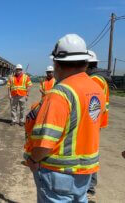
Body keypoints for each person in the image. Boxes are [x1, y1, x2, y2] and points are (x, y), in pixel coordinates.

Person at [24, 34, 106, 202]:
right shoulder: (97, 89)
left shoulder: (60, 93)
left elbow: (45, 142)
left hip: (58, 173)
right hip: (85, 173)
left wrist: (33, 159)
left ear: (57, 63)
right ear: (85, 61)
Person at [86, 50, 110, 197]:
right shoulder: (99, 79)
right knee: (91, 151)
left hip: (92, 122)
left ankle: (89, 187)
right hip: (96, 121)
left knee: (88, 153)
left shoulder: (94, 80)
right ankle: (89, 186)